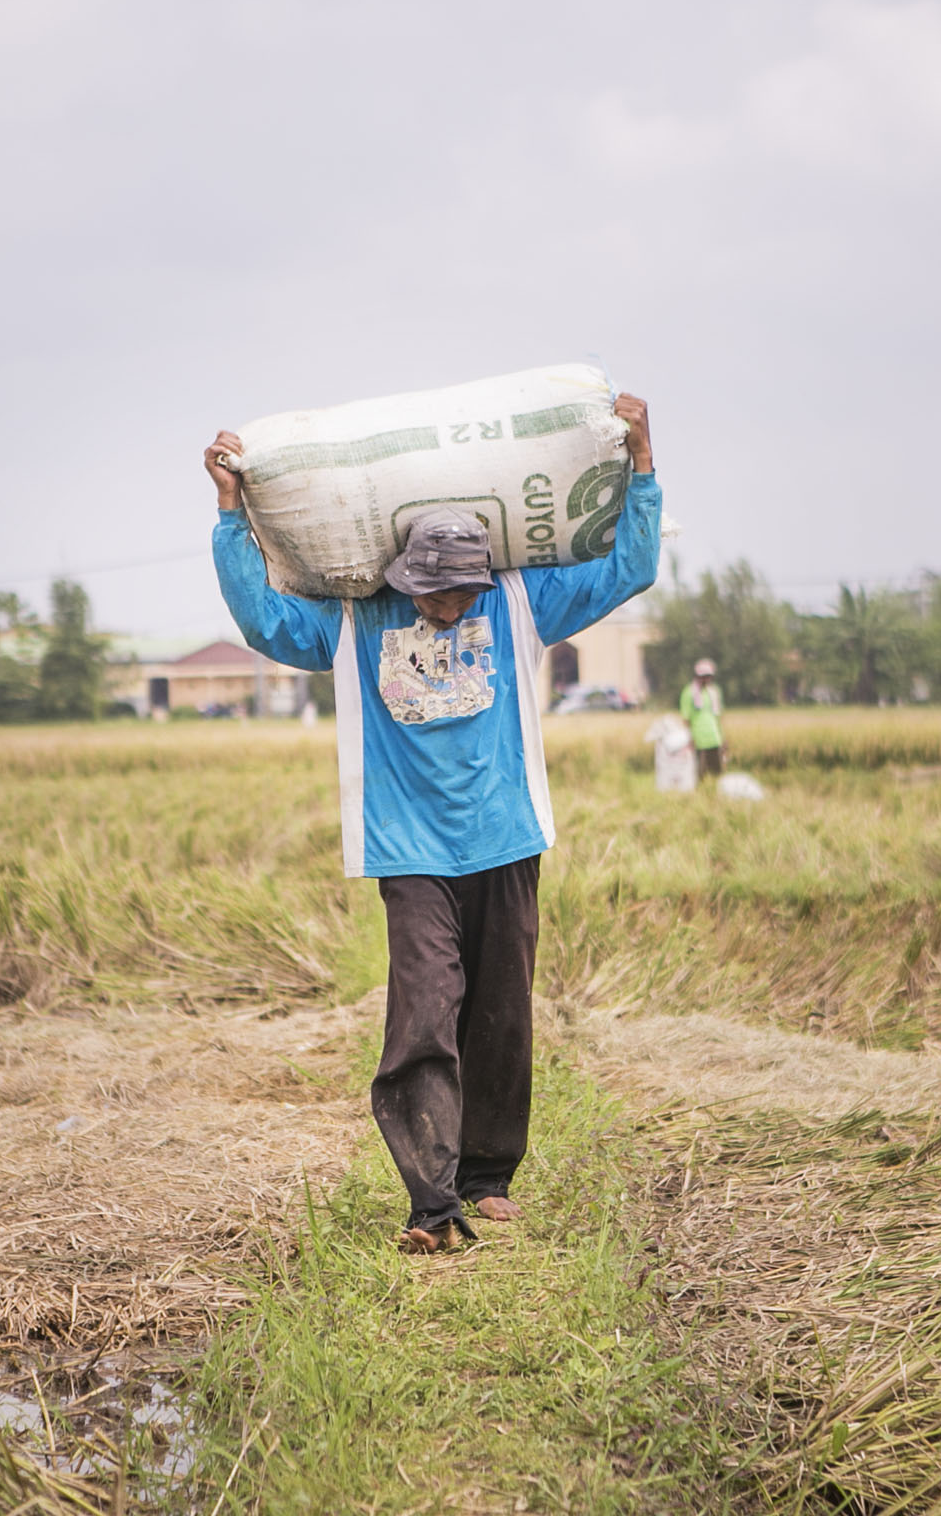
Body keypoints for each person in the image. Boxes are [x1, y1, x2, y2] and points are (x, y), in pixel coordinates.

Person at [204, 397, 661, 1253]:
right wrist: (231, 515)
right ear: (406, 578)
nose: (449, 604)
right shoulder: (353, 621)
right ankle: (430, 1201)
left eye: (463, 591)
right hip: (409, 850)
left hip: (506, 838)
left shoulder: (520, 606)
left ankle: (489, 1177)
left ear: (483, 579)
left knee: (501, 1012)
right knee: (422, 1016)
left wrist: (642, 460)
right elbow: (266, 621)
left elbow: (626, 570)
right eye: (434, 590)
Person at [681, 658, 725, 783]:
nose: (706, 679)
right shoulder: (689, 693)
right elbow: (686, 718)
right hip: (699, 739)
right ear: (697, 676)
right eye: (704, 676)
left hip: (714, 737)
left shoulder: (713, 692)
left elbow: (717, 717)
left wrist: (722, 738)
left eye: (709, 676)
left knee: (718, 773)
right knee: (700, 774)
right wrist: (690, 738)